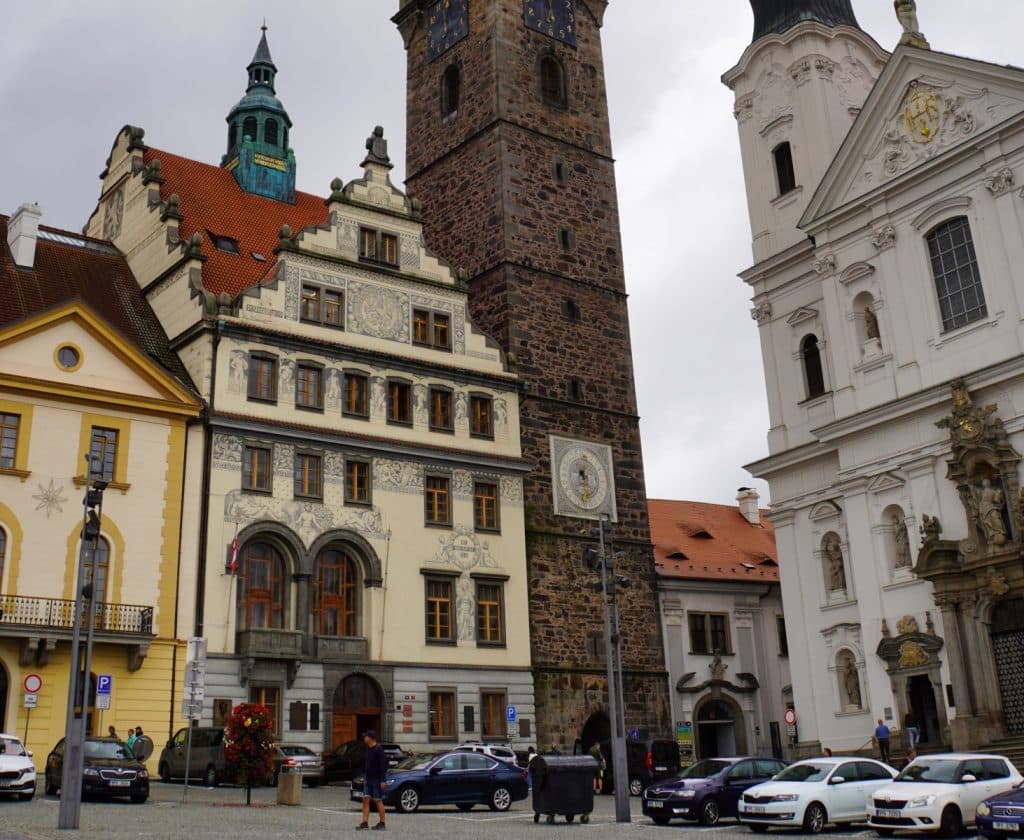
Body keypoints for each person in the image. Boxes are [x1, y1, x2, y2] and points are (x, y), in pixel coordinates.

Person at [357, 730, 387, 831]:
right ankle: (365, 822)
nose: (364, 738)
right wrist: (363, 775)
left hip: (376, 779)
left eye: (366, 737)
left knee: (378, 800)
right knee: (365, 799)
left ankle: (382, 822)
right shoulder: (368, 749)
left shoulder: (378, 749)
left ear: (370, 738)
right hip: (368, 778)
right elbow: (366, 764)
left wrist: (383, 780)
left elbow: (383, 765)